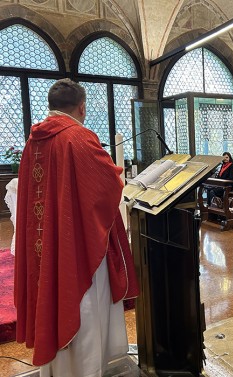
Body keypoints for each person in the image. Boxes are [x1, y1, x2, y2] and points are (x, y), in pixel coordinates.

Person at [14, 79, 139, 376]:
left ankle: (56, 370)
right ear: (82, 107)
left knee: (52, 296)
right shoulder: (79, 137)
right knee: (83, 303)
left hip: (46, 243)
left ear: (51, 106)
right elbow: (107, 184)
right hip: (77, 243)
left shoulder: (33, 141)